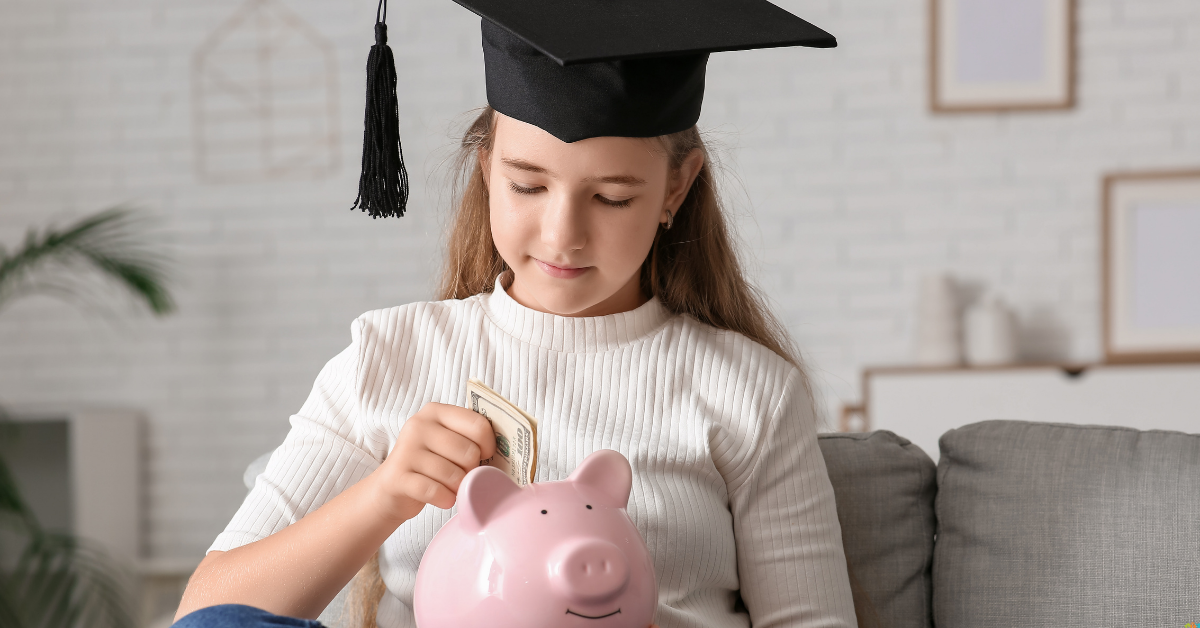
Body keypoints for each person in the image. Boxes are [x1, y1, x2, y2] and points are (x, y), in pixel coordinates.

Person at [174, 0, 873, 626]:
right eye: (528, 185)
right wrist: (387, 493)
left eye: (612, 198)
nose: (562, 234)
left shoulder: (749, 390)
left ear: (675, 190)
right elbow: (211, 612)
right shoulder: (390, 354)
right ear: (487, 170)